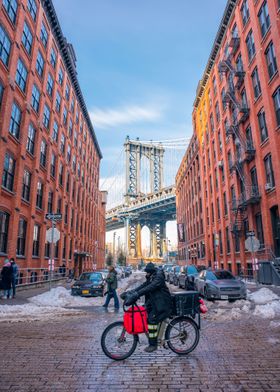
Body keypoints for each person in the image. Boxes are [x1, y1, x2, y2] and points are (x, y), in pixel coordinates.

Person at [122, 262, 173, 353]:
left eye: (147, 272)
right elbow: (144, 286)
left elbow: (150, 287)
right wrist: (131, 292)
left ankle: (153, 344)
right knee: (145, 316)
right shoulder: (152, 277)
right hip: (156, 303)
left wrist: (137, 294)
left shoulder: (158, 277)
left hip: (163, 304)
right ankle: (155, 337)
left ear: (151, 272)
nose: (146, 274)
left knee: (151, 320)